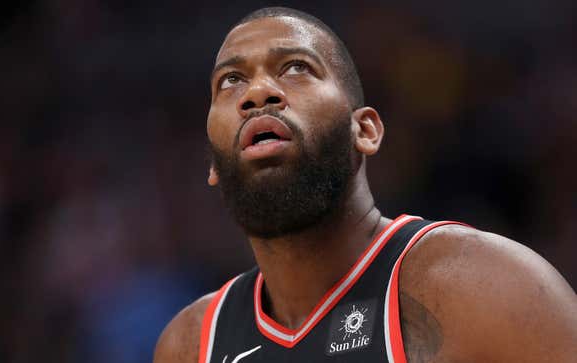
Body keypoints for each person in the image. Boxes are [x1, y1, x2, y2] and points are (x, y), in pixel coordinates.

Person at [154, 7, 577, 363]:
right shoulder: (190, 344)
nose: (258, 92)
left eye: (296, 68)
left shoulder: (483, 287)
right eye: (231, 81)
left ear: (366, 131)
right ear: (213, 163)